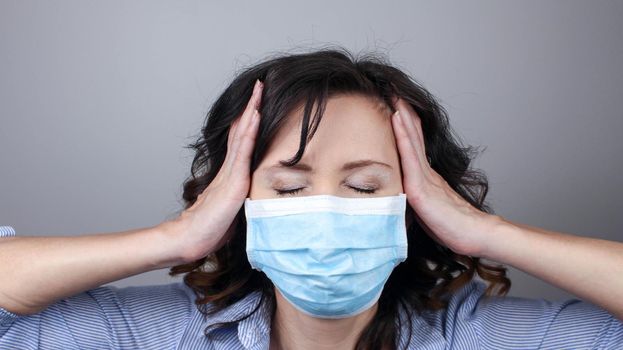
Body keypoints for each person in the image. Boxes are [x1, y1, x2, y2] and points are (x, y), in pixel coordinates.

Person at [1, 47, 621, 350]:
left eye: (364, 186)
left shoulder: (475, 337)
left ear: (415, 205)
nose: (326, 211)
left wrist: (481, 232)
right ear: (238, 200)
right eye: (291, 187)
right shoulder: (158, 334)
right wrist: (179, 237)